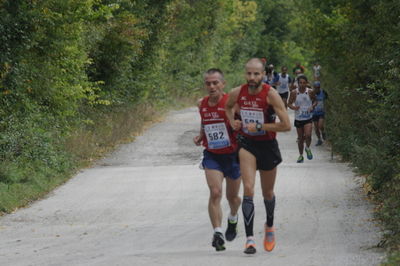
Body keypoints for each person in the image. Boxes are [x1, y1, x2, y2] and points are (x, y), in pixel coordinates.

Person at [225, 58, 291, 254]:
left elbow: (286, 125)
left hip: (268, 145)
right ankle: (250, 239)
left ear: (263, 75)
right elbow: (228, 107)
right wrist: (232, 122)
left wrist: (261, 126)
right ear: (245, 74)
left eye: (256, 74)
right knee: (248, 188)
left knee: (268, 193)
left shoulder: (271, 95)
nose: (252, 77)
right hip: (247, 143)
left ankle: (269, 226)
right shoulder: (238, 92)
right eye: (249, 74)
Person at [193, 68, 242, 252]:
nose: (211, 86)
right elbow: (205, 121)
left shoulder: (232, 102)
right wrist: (200, 135)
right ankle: (218, 232)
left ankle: (233, 218)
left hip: (233, 155)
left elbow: (243, 121)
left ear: (223, 84)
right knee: (215, 192)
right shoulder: (201, 103)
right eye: (208, 83)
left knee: (233, 197)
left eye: (215, 83)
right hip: (212, 154)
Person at [288, 75, 317, 163]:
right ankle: (301, 156)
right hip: (298, 118)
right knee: (300, 138)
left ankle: (307, 148)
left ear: (306, 83)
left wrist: (312, 106)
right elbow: (289, 103)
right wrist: (294, 107)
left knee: (308, 135)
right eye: (300, 82)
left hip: (308, 117)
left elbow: (315, 101)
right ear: (298, 83)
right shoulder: (294, 92)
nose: (302, 84)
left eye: (304, 83)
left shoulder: (310, 92)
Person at [312, 81, 328, 145]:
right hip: (314, 113)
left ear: (319, 87)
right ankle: (319, 139)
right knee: (316, 128)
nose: (317, 89)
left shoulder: (323, 92)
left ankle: (323, 132)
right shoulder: (311, 93)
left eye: (318, 87)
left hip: (321, 112)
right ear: (314, 88)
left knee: (320, 126)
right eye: (315, 88)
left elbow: (327, 99)